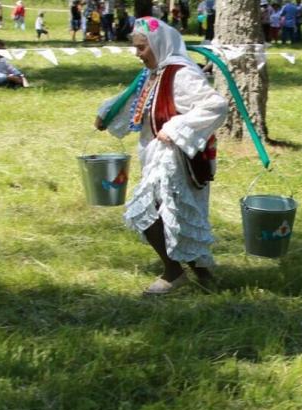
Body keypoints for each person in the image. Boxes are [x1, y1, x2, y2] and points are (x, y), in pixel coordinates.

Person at [94, 17, 228, 295]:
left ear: (158, 44)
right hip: (156, 156)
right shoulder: (154, 73)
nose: (137, 53)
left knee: (146, 211)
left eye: (142, 48)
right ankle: (204, 278)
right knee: (176, 216)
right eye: (136, 47)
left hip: (177, 157)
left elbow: (216, 105)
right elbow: (135, 100)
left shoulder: (181, 74)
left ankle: (173, 272)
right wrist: (106, 114)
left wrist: (177, 128)